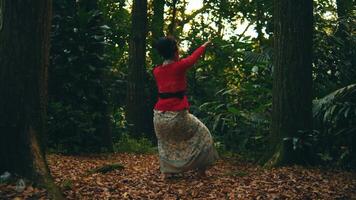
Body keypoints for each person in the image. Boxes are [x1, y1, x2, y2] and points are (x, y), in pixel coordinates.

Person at [152, 36, 219, 179]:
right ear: (175, 52)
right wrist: (204, 45)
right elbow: (193, 58)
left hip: (158, 117)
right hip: (177, 115)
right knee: (203, 134)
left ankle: (167, 172)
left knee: (166, 143)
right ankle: (201, 171)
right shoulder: (179, 66)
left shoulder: (156, 71)